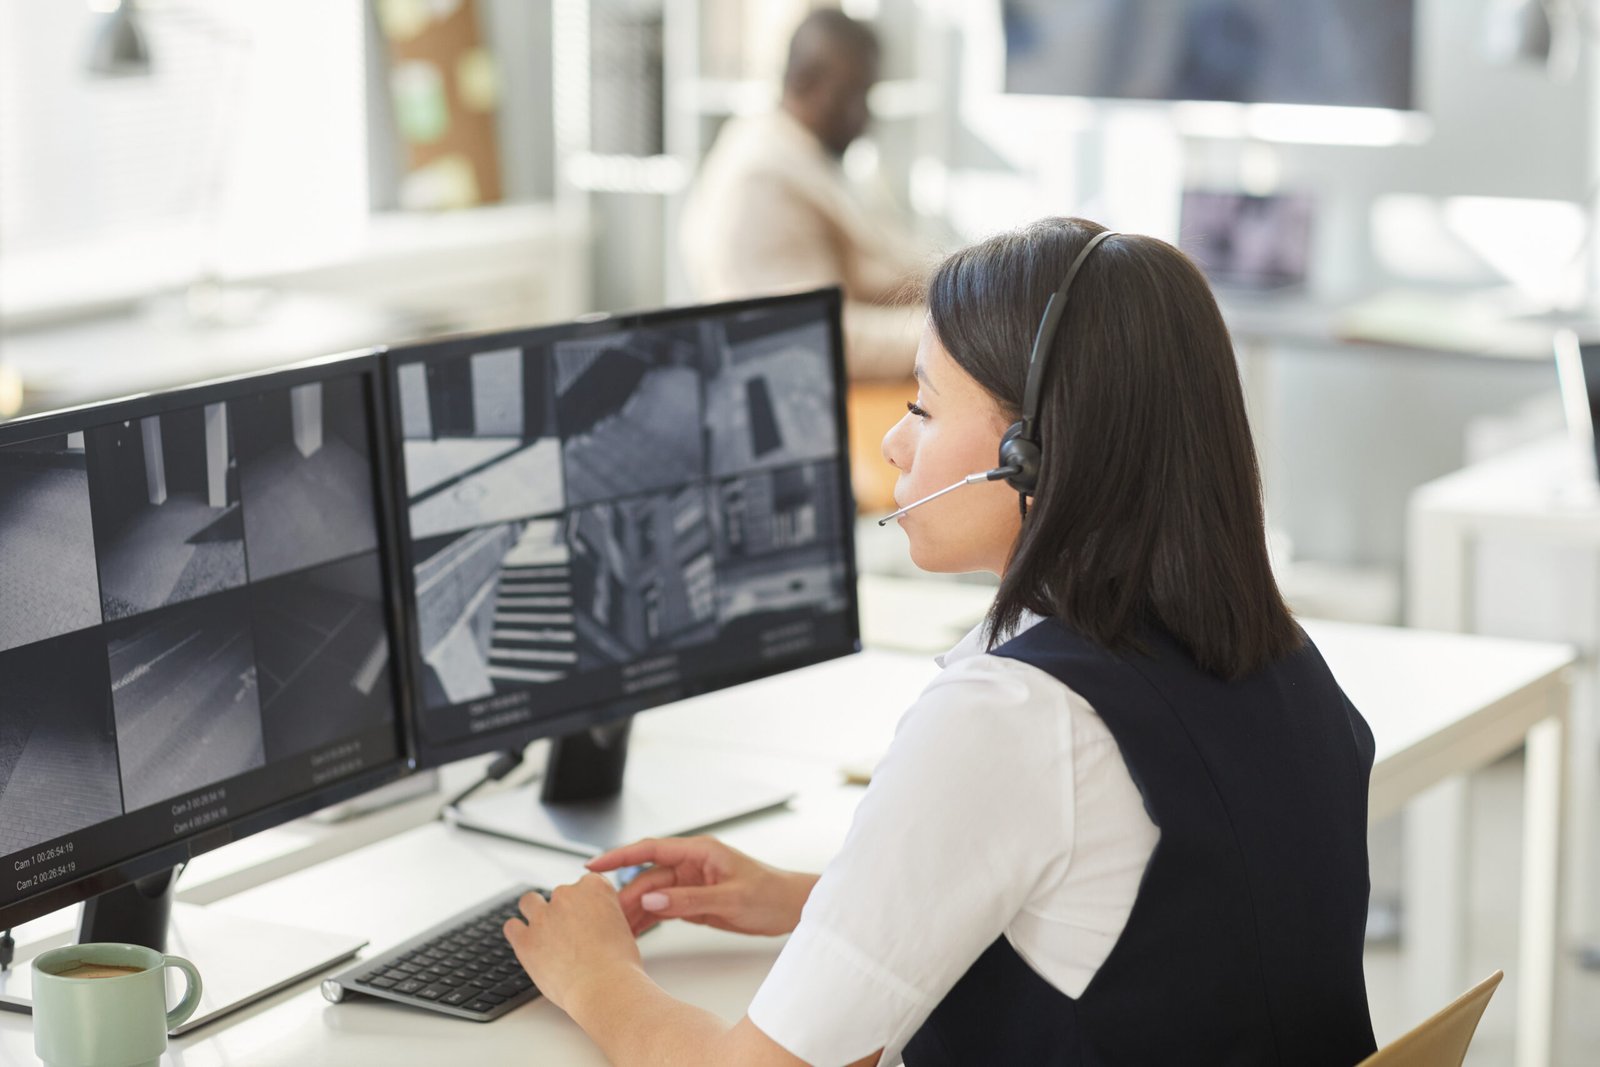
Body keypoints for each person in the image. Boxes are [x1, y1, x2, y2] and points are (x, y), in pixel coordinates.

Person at [503, 217, 1378, 1066]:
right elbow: (1154, 939)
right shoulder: (1283, 662)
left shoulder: (1016, 717)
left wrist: (596, 974)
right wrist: (815, 905)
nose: (892, 440)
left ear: (1028, 452)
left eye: (921, 405)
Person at [679, 9, 927, 381]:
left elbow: (886, 264)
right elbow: (813, 337)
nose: (865, 116)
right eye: (854, 95)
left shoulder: (807, 152)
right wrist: (960, 336)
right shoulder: (760, 179)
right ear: (802, 81)